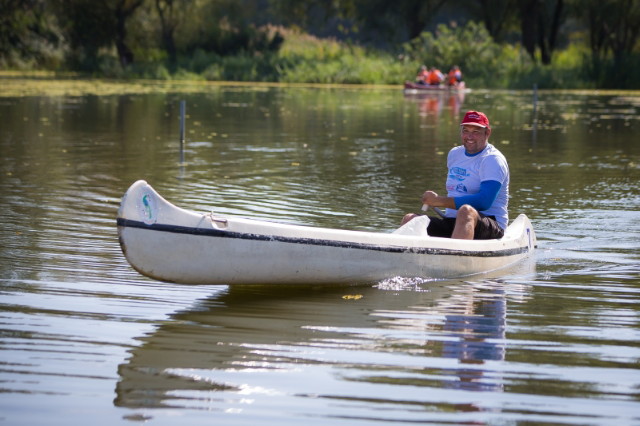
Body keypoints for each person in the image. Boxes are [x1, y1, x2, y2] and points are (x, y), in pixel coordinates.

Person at [401, 110, 509, 240]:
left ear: (487, 133)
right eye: (465, 131)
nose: (469, 136)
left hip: (491, 225)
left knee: (465, 211)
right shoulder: (454, 154)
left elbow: (484, 201)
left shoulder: (492, 159)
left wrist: (439, 201)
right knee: (410, 219)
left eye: (475, 132)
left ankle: (458, 257)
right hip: (453, 222)